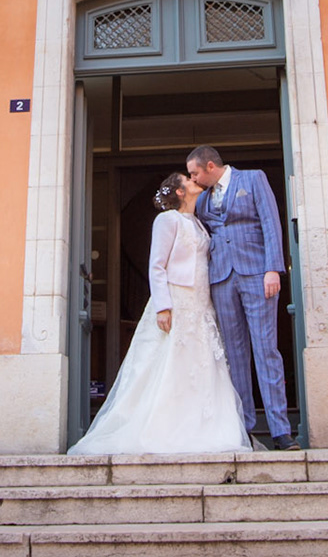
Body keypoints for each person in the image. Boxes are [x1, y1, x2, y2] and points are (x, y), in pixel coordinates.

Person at [72, 173, 250, 458]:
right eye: (188, 180)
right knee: (170, 362)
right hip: (177, 300)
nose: (194, 181)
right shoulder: (167, 220)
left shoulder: (198, 222)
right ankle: (163, 428)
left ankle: (202, 427)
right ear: (180, 191)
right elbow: (157, 265)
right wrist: (163, 307)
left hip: (200, 302)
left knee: (202, 362)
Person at [186, 145, 294, 450]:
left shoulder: (253, 179)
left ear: (210, 166)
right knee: (234, 355)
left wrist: (273, 269)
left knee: (266, 349)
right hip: (221, 279)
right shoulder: (202, 199)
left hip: (256, 274)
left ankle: (280, 430)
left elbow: (271, 223)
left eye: (194, 173)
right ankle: (244, 429)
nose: (192, 179)